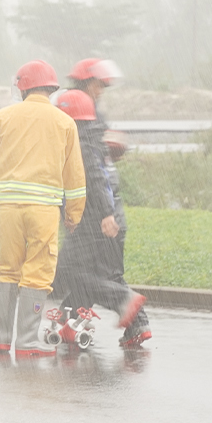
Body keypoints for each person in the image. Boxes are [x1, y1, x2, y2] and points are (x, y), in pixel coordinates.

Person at [0, 60, 86, 358]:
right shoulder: (64, 123)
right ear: (51, 88)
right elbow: (74, 176)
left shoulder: (3, 117)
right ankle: (27, 342)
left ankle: (2, 338)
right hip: (43, 210)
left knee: (8, 268)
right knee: (37, 272)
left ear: (22, 87)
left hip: (8, 208)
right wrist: (73, 214)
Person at [51, 88, 152, 347]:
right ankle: (135, 327)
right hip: (108, 220)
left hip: (95, 221)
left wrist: (106, 214)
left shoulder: (82, 145)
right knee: (105, 276)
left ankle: (122, 301)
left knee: (68, 271)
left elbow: (95, 181)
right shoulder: (96, 142)